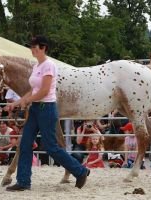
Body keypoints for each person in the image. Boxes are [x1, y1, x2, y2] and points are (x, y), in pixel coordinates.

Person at [5, 35, 90, 191]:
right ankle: (23, 181)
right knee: (25, 144)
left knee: (51, 147)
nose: (32, 49)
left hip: (47, 108)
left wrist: (27, 101)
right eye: (31, 47)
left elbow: (44, 91)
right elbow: (33, 90)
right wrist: (17, 103)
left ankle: (80, 171)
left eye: (34, 47)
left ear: (43, 48)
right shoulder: (37, 66)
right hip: (36, 109)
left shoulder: (49, 65)